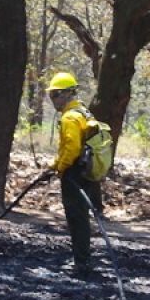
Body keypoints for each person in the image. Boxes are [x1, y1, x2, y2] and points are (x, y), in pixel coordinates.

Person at [47, 71, 102, 277]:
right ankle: (82, 259)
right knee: (81, 217)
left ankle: (81, 263)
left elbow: (71, 149)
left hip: (73, 174)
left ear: (64, 94)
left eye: (54, 95)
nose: (53, 100)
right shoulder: (82, 112)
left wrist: (60, 168)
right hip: (84, 172)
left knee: (76, 218)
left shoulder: (70, 117)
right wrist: (54, 165)